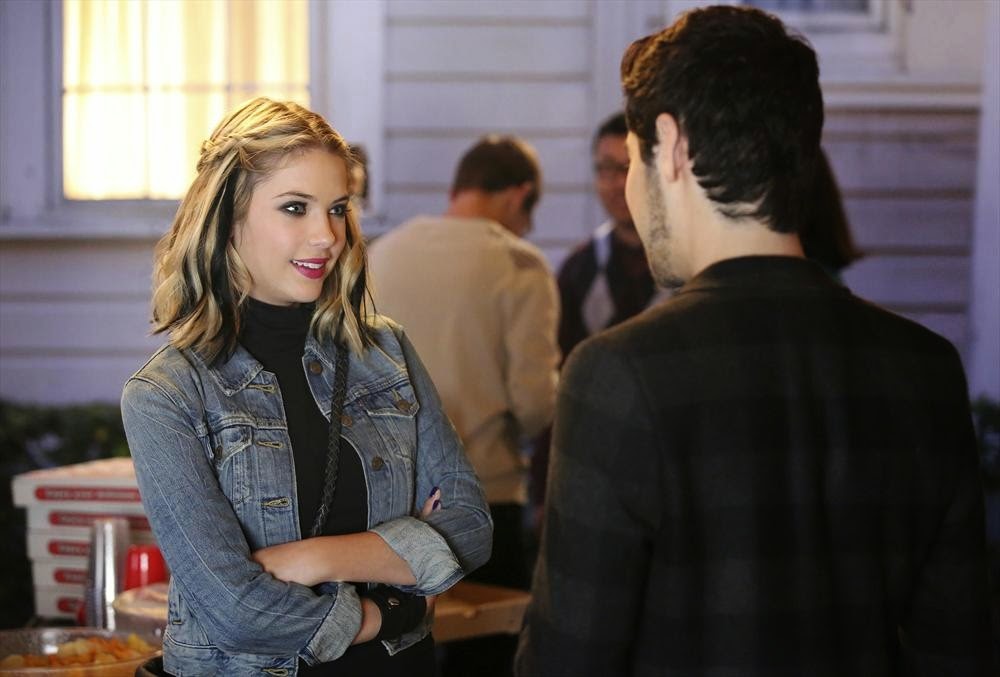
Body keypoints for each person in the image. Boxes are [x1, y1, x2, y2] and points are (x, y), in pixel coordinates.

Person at [517, 6, 994, 677]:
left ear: (670, 146)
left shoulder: (617, 374)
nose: (628, 188)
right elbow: (958, 649)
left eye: (631, 158)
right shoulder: (926, 368)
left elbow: (568, 661)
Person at [121, 97, 492, 677]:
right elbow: (238, 611)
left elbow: (469, 528)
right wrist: (389, 608)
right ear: (228, 218)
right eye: (295, 208)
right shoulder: (167, 395)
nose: (327, 235)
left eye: (338, 209)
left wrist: (306, 560)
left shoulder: (385, 352)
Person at [368, 135, 559, 677]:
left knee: (399, 653)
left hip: (387, 508)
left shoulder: (382, 254)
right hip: (483, 499)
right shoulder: (519, 263)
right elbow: (534, 404)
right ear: (519, 195)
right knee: (488, 658)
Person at [529, 112, 661, 532]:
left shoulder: (682, 265)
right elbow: (560, 378)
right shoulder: (580, 269)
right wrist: (544, 488)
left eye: (627, 167)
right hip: (597, 468)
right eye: (605, 168)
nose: (615, 183)